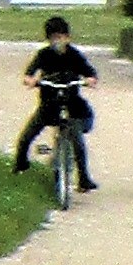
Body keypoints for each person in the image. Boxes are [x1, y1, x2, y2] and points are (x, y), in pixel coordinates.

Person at [15, 18, 99, 189]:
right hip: (49, 103)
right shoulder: (44, 55)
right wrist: (30, 80)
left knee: (78, 139)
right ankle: (20, 165)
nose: (57, 41)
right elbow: (30, 72)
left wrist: (90, 80)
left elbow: (89, 72)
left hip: (72, 103)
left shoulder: (74, 55)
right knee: (27, 136)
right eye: (53, 38)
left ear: (68, 37)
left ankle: (84, 178)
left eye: (61, 37)